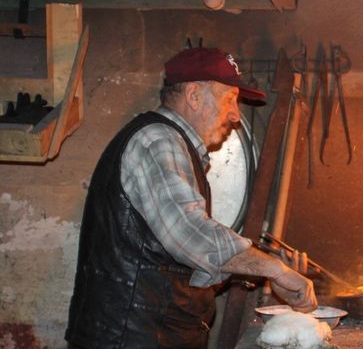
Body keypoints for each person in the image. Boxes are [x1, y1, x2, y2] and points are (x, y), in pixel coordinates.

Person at [65, 47, 317, 349]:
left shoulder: (174, 145)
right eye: (229, 100)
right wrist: (276, 270)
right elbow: (190, 236)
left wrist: (258, 268)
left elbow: (182, 264)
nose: (236, 116)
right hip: (131, 339)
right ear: (194, 96)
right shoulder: (158, 140)